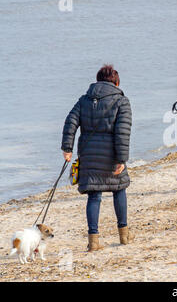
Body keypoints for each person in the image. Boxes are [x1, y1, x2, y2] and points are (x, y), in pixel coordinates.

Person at [61, 65, 134, 251]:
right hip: (111, 155)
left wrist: (67, 148)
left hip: (89, 154)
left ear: (98, 81)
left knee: (94, 196)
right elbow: (123, 133)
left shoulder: (84, 100)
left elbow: (71, 121)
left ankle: (93, 241)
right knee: (119, 190)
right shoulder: (121, 101)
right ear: (116, 82)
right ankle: (124, 235)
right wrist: (121, 159)